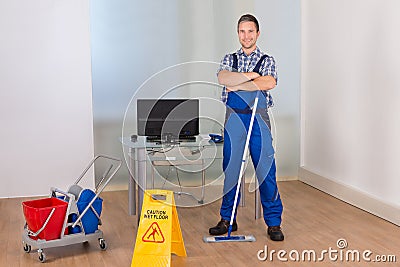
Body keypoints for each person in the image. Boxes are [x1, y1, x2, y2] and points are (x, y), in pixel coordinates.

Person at [209, 14, 284, 241]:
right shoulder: (229, 59)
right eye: (242, 31)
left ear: (257, 33)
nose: (246, 35)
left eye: (250, 31)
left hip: (258, 121)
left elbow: (269, 82)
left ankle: (273, 223)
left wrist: (238, 83)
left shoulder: (267, 59)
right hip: (234, 121)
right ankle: (227, 219)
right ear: (238, 33)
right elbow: (223, 78)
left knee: (265, 170)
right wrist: (252, 78)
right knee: (231, 170)